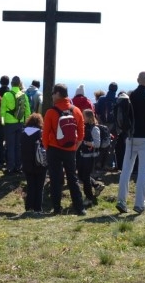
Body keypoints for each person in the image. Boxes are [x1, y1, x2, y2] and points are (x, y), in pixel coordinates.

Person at [115, 72, 145, 214]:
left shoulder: (129, 96)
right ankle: (139, 204)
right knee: (143, 172)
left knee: (126, 170)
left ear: (137, 80)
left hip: (131, 138)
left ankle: (121, 201)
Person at [42, 83, 86, 215]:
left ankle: (56, 208)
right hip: (70, 150)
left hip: (54, 149)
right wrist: (74, 148)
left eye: (53, 93)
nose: (52, 96)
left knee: (55, 179)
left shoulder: (51, 112)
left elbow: (45, 134)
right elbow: (81, 134)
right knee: (72, 178)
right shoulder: (77, 111)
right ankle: (80, 208)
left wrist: (47, 148)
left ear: (57, 94)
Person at [0, 75, 30, 173]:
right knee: (18, 146)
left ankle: (10, 167)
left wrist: (3, 123)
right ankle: (18, 166)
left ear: (11, 84)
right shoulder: (23, 95)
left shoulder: (6, 95)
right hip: (20, 123)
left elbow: (2, 111)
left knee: (10, 146)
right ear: (19, 84)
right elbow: (27, 111)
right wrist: (25, 123)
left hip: (9, 124)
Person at [19, 113, 46, 213]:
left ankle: (28, 207)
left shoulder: (23, 133)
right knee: (39, 187)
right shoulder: (41, 133)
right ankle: (38, 208)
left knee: (30, 186)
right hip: (40, 163)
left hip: (27, 164)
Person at [79, 108, 101, 206]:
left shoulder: (94, 128)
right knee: (81, 175)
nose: (82, 118)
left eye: (83, 116)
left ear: (88, 117)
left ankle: (89, 198)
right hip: (83, 155)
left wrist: (86, 143)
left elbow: (97, 144)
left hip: (90, 156)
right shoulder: (85, 127)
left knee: (85, 177)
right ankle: (96, 186)